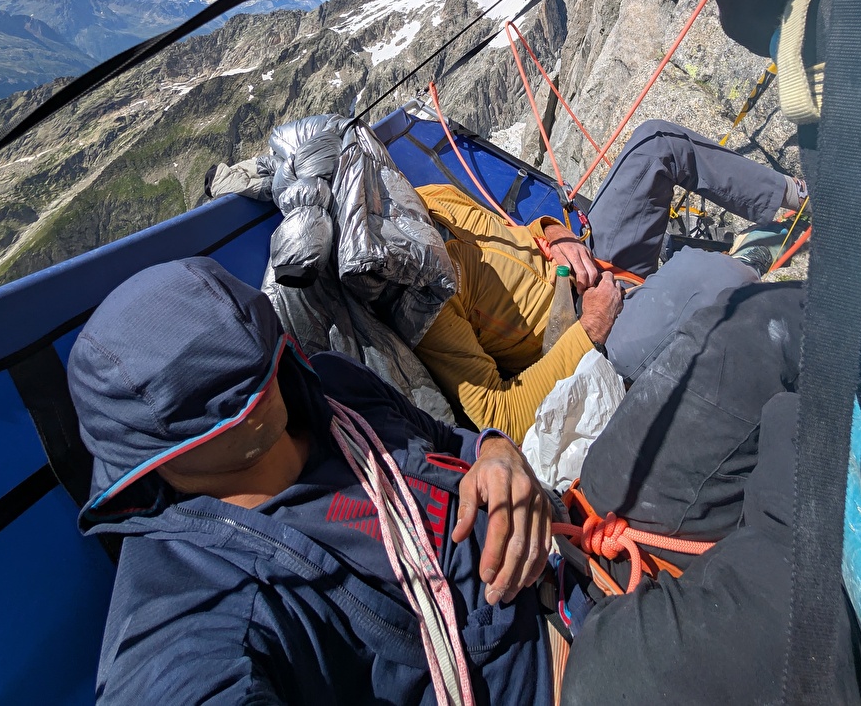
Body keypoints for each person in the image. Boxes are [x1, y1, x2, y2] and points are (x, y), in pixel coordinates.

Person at [67, 256, 556, 706]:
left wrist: (497, 451)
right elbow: (173, 677)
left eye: (262, 364)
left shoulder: (334, 387)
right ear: (152, 458)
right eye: (231, 403)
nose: (262, 387)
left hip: (575, 550)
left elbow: (452, 442)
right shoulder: (194, 598)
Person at [554, 279, 861, 706]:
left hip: (576, 539)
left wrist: (491, 451)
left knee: (746, 330)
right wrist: (587, 329)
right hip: (601, 662)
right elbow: (494, 405)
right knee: (796, 428)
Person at [412, 119, 803, 441]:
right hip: (593, 345)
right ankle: (764, 251)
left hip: (590, 260)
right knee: (710, 275)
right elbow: (502, 418)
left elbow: (515, 231)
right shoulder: (427, 300)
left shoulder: (430, 198)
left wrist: (555, 233)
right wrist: (591, 327)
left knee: (657, 143)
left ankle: (797, 196)